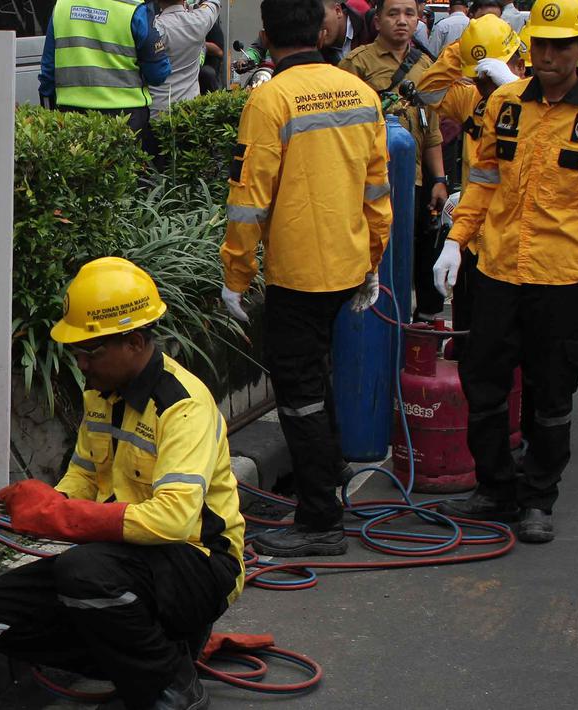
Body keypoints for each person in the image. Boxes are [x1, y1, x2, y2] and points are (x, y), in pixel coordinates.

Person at [0, 257, 245, 710]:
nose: (80, 362)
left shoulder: (183, 407)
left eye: (91, 351)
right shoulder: (100, 395)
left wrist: (59, 516)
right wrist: (49, 501)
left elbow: (173, 520)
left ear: (134, 342)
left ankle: (169, 685)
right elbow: (86, 475)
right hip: (124, 560)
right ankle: (151, 660)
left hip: (198, 563)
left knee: (84, 572)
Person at [432, 0, 578, 542]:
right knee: (484, 385)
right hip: (497, 271)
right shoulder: (503, 104)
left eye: (561, 46)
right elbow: (482, 178)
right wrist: (456, 242)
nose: (548, 56)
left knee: (552, 394)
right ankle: (495, 489)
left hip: (562, 278)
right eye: (541, 45)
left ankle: (538, 497)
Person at [222, 0, 392, 557]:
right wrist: (370, 259)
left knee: (300, 396)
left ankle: (321, 522)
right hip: (346, 266)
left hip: (299, 273)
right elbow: (377, 190)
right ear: (321, 31)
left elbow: (249, 199)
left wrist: (235, 274)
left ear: (266, 34)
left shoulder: (269, 98)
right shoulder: (360, 92)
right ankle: (330, 477)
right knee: (317, 378)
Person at [414, 15, 526, 343]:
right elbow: (428, 92)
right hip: (473, 237)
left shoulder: (539, 101)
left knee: (513, 346)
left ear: (518, 63)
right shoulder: (471, 100)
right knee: (468, 339)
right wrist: (460, 52)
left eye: (490, 78)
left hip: (517, 245)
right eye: (479, 78)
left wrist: (512, 90)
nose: (485, 87)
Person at [342, 0, 449, 322]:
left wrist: (440, 180)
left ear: (418, 20)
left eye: (409, 14)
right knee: (374, 256)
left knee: (410, 256)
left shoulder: (427, 67)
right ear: (377, 21)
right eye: (393, 14)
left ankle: (411, 329)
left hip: (413, 180)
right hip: (369, 182)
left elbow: (431, 130)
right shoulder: (356, 64)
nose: (402, 21)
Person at [39, 0, 171, 151]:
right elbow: (158, 74)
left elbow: (48, 71)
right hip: (125, 119)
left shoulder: (62, 6)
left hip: (71, 117)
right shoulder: (133, 9)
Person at [151, 0, 223, 117]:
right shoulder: (199, 20)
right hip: (189, 113)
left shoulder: (151, 27)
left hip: (157, 112)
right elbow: (213, 3)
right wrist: (194, 7)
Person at [199, 18, 226, 93]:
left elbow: (220, 52)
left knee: (207, 72)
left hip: (207, 77)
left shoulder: (210, 26)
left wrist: (198, 44)